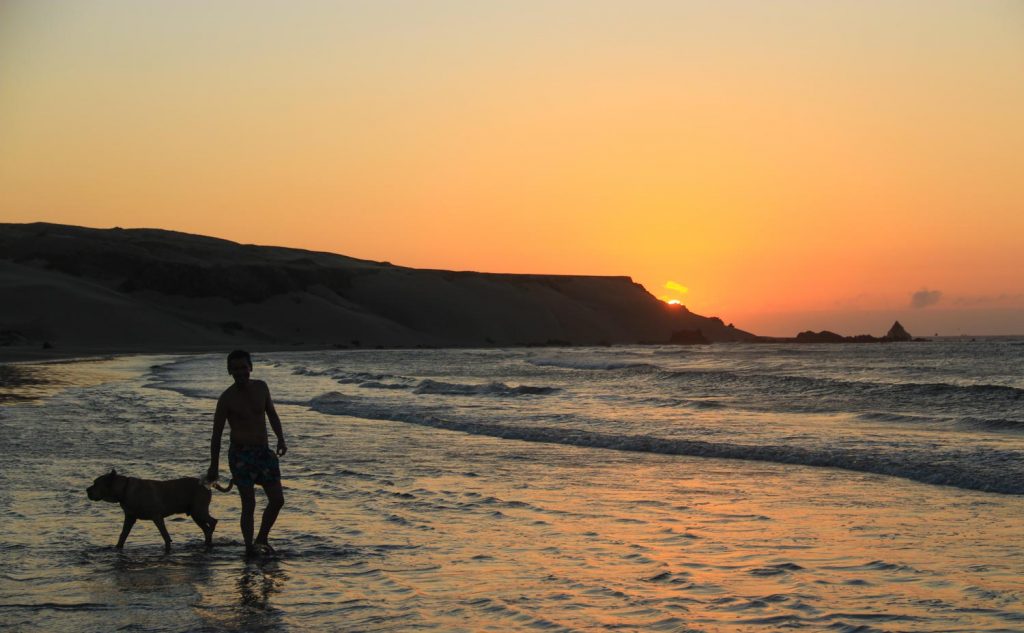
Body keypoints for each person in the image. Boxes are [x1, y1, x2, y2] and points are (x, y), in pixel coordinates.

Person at [207, 350, 287, 556]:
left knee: (277, 500)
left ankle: (262, 537)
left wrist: (280, 438)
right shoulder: (226, 399)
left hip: (263, 452)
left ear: (250, 367)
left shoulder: (262, 387)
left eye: (244, 367)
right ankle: (250, 547)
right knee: (248, 504)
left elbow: (272, 414)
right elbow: (216, 435)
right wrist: (213, 466)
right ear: (229, 371)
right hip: (240, 455)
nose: (240, 372)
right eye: (235, 369)